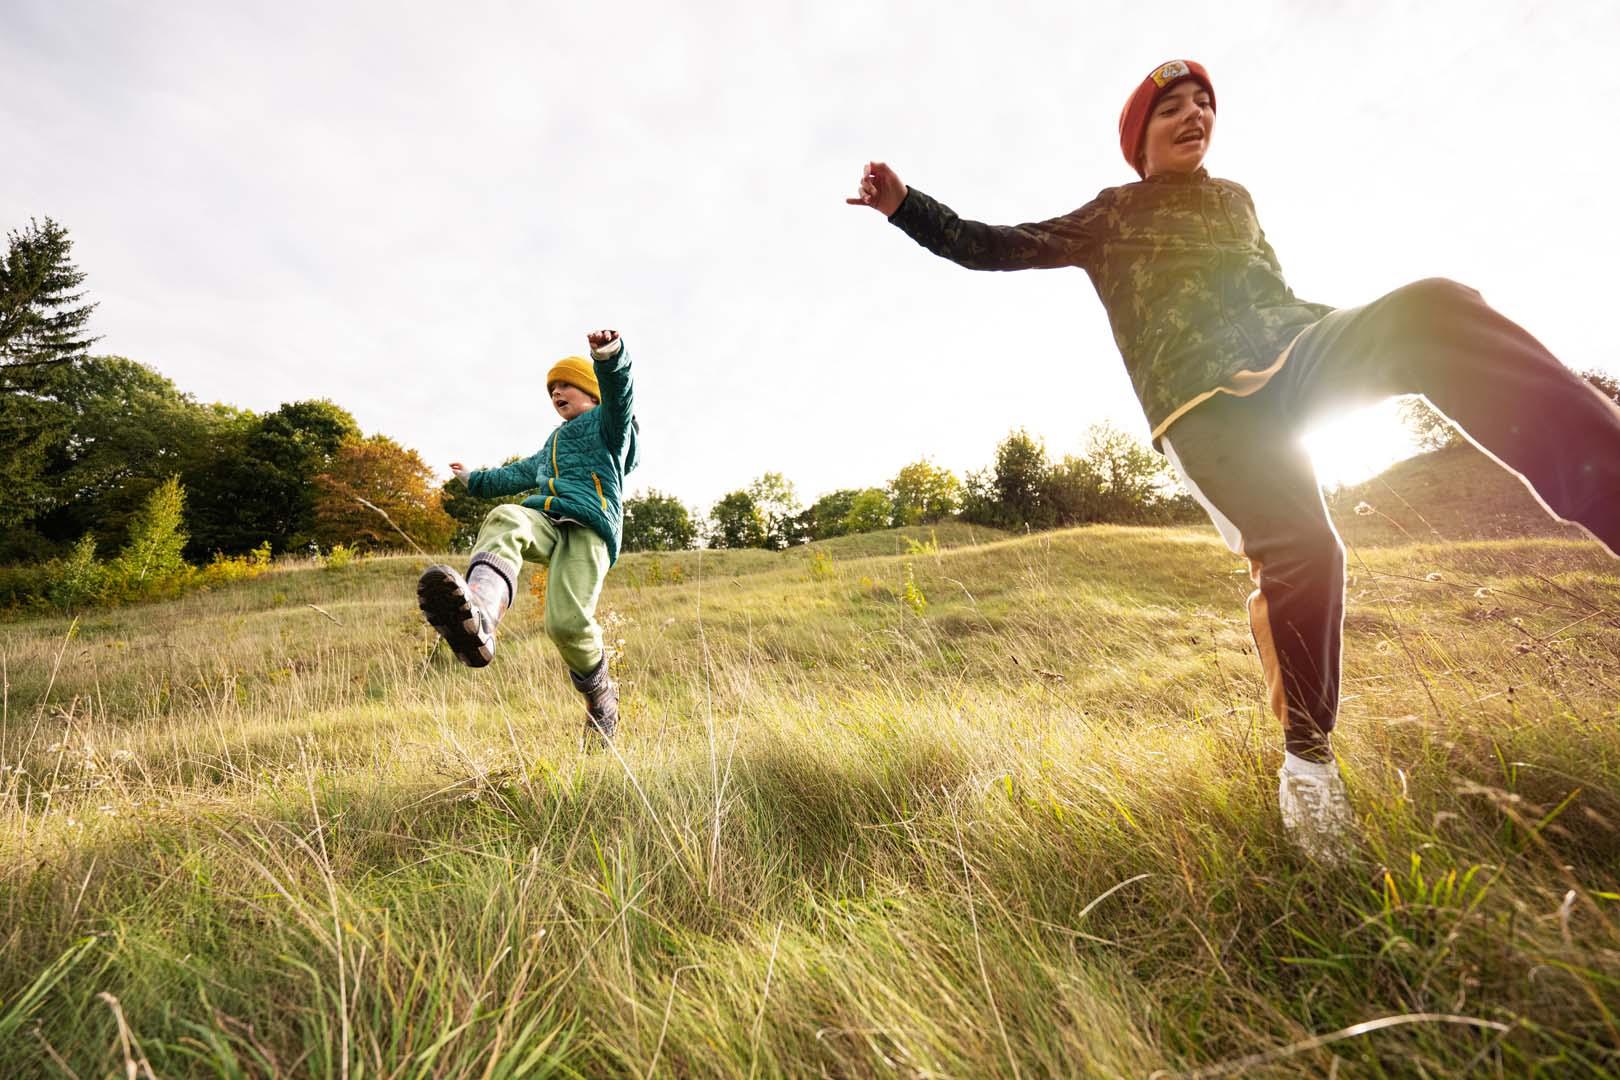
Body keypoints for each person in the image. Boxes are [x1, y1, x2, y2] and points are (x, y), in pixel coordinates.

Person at [847, 59, 1620, 862]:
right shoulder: (1113, 214)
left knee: (1436, 306)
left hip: (1293, 356)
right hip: (1204, 405)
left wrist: (1366, 336)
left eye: (1204, 103)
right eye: (1172, 108)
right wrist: (906, 207)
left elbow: (1270, 290)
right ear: (1138, 138)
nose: (1195, 115)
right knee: (1306, 552)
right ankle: (1309, 775)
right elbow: (995, 245)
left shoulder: (1236, 200)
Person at [417, 328, 639, 741]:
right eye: (552, 388)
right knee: (506, 516)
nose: (557, 392)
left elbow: (620, 393)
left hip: (589, 527)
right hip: (549, 521)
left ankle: (601, 697)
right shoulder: (551, 445)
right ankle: (481, 613)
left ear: (591, 393)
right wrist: (472, 479)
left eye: (566, 384)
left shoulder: (608, 426)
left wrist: (609, 358)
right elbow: (512, 475)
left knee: (566, 624)